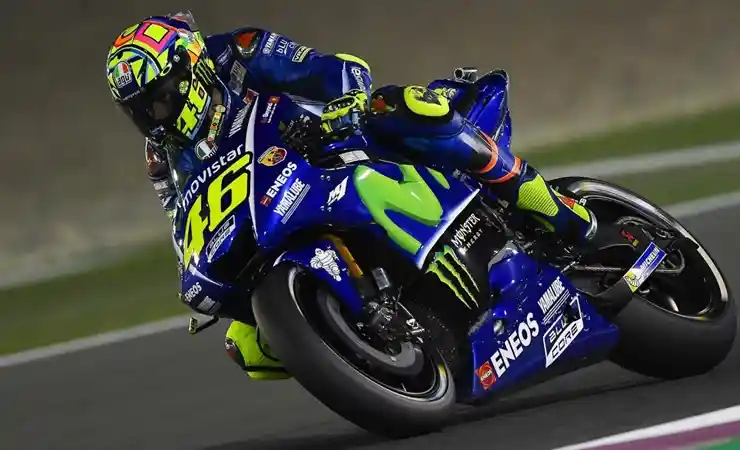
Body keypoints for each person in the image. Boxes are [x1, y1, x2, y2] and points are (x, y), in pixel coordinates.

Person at [105, 12, 605, 381]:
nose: (154, 116)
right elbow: (183, 221)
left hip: (337, 142)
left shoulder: (239, 53)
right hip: (279, 205)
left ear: (190, 71)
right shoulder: (161, 157)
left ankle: (553, 208)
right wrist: (196, 274)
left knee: (405, 108)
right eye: (140, 111)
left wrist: (344, 103)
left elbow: (331, 70)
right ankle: (382, 335)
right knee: (249, 348)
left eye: (160, 98)